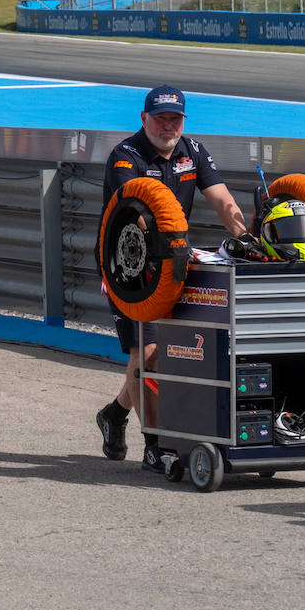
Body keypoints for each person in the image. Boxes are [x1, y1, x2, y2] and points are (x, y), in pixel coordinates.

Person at [94, 85, 249, 472]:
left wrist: (246, 241)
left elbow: (223, 201)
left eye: (174, 119)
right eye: (160, 118)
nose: (168, 126)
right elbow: (138, 212)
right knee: (145, 353)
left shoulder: (193, 151)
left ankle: (115, 413)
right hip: (129, 272)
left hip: (177, 265)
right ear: (144, 118)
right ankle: (155, 443)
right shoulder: (124, 157)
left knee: (166, 353)